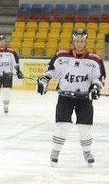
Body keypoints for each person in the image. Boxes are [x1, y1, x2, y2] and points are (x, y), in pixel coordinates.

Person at [37, 28, 106, 166]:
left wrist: (95, 88)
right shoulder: (61, 56)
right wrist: (44, 80)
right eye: (77, 41)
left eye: (82, 41)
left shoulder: (95, 60)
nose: (79, 44)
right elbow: (52, 72)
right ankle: (55, 151)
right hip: (65, 96)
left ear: (86, 41)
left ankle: (87, 152)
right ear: (73, 41)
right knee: (62, 125)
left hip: (84, 98)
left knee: (84, 127)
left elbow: (99, 78)